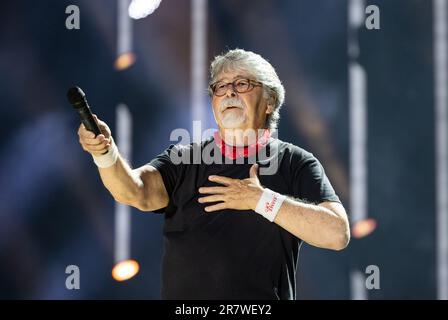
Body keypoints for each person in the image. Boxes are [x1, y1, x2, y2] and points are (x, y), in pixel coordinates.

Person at [77, 49, 350, 300]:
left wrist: (260, 200)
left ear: (269, 102)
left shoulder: (294, 163)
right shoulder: (183, 160)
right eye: (220, 87)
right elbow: (133, 191)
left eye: (242, 84)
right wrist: (105, 153)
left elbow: (337, 233)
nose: (229, 92)